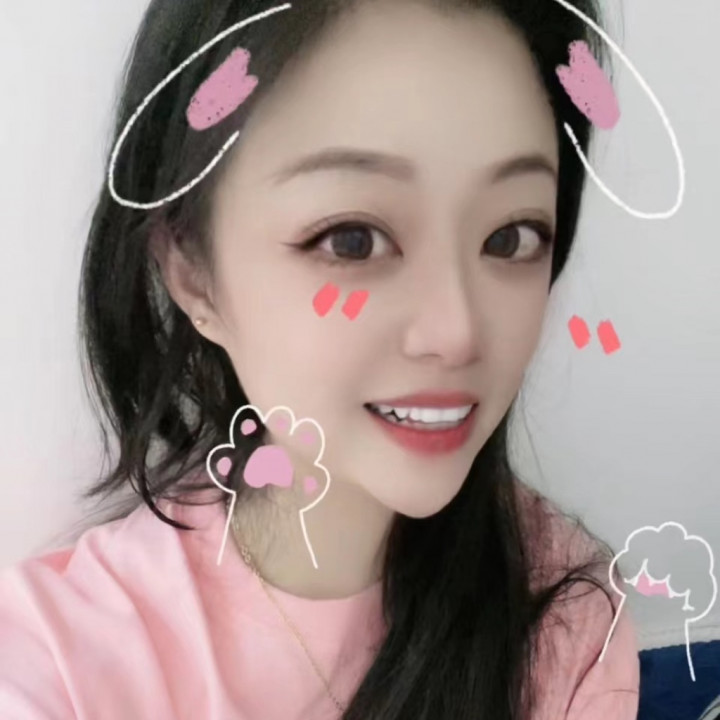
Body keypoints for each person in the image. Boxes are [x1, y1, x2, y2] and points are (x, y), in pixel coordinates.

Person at [0, 0, 640, 718]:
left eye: (512, 237)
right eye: (352, 240)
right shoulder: (57, 664)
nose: (458, 332)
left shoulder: (568, 626)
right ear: (192, 272)